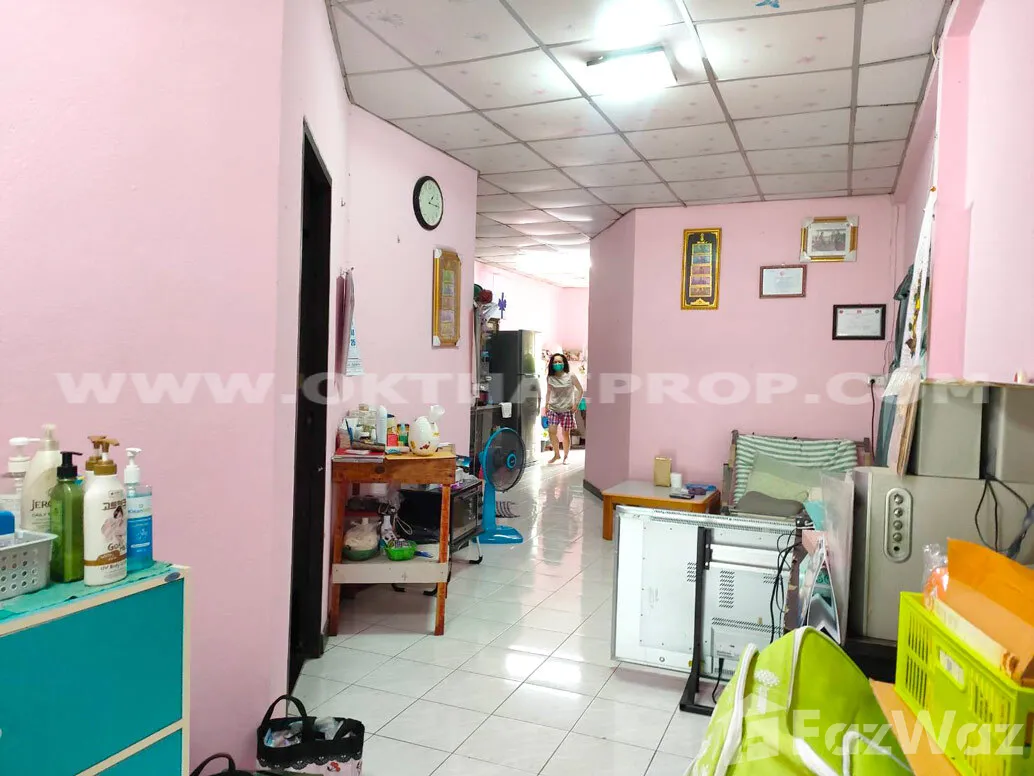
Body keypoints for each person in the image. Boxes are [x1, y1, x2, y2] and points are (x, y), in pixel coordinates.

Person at [542, 352, 583, 465]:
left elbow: (580, 390)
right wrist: (546, 404)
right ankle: (556, 454)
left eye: (559, 362)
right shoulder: (550, 377)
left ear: (564, 363)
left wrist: (576, 404)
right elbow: (548, 392)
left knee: (565, 434)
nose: (557, 364)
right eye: (555, 362)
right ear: (552, 364)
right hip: (553, 408)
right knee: (551, 431)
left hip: (567, 409)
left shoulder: (571, 376)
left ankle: (566, 456)